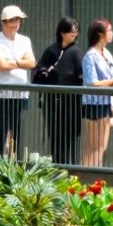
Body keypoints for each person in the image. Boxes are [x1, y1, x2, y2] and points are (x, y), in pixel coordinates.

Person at [34, 17, 83, 165]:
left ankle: (71, 168)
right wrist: (45, 72)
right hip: (53, 102)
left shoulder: (76, 51)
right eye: (70, 32)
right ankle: (58, 166)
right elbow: (39, 71)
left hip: (72, 102)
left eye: (76, 32)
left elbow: (81, 74)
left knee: (71, 136)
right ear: (62, 32)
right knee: (56, 136)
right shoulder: (52, 50)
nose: (74, 35)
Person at [0, 5, 35, 156]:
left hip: (20, 94)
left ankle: (15, 166)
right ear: (4, 22)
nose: (17, 23)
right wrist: (21, 62)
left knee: (18, 136)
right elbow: (1, 65)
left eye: (18, 20)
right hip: (1, 94)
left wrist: (12, 61)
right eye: (13, 20)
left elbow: (32, 63)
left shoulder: (25, 40)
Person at [80, 19, 113, 167]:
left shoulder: (107, 54)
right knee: (94, 147)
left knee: (102, 147)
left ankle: (95, 179)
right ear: (100, 34)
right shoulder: (90, 55)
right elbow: (92, 83)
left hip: (106, 102)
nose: (111, 34)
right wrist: (111, 82)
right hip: (93, 103)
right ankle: (82, 178)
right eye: (108, 31)